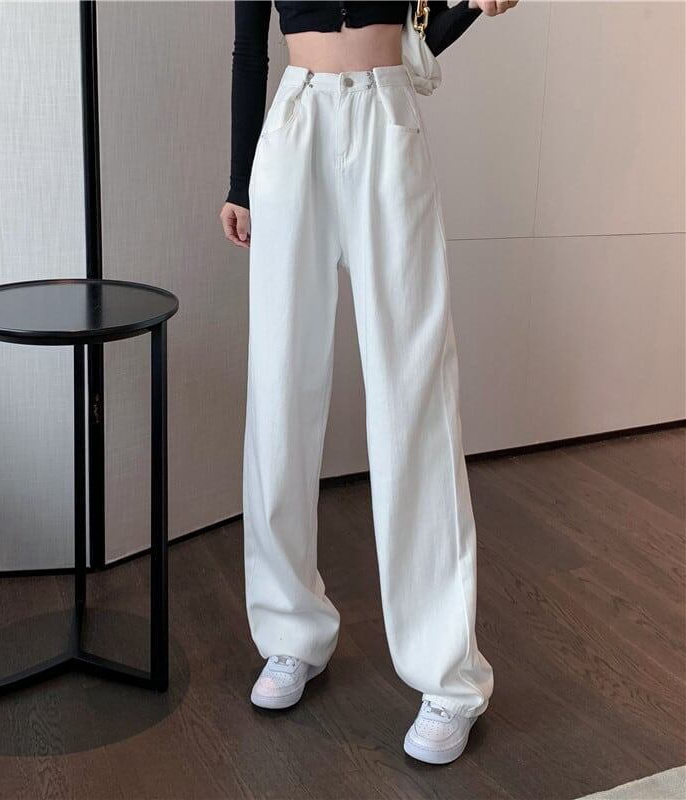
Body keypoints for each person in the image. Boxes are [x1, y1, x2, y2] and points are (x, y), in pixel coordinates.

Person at [219, 0, 518, 765]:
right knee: (278, 389)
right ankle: (290, 633)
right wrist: (240, 182)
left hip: (386, 116)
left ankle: (448, 678)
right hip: (294, 125)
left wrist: (471, 7)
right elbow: (249, 47)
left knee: (414, 393)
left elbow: (421, 30)